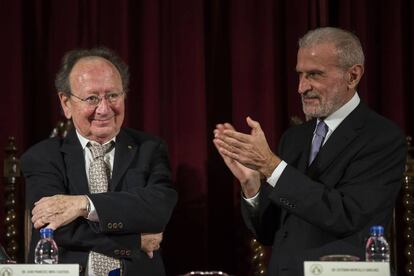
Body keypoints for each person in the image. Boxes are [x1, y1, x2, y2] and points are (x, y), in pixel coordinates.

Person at [213, 27, 406, 275]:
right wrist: (251, 184)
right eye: (300, 75)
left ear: (353, 76)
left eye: (314, 75)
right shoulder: (294, 138)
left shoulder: (382, 137)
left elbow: (347, 215)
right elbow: (268, 233)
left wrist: (272, 167)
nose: (301, 87)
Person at [21, 47, 177, 275]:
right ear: (66, 103)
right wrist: (134, 241)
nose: (104, 109)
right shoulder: (42, 157)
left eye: (113, 95)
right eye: (92, 98)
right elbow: (53, 226)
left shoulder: (149, 148)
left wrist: (83, 204)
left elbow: (158, 209)